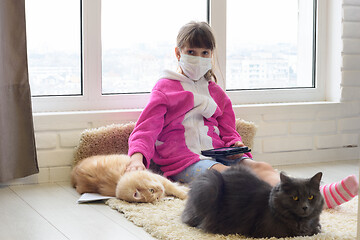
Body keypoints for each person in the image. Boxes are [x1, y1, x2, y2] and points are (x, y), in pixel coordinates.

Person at [126, 21, 358, 208]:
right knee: (230, 178)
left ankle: (316, 196)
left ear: (211, 55)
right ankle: (279, 204)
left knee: (262, 168)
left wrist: (234, 143)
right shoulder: (165, 88)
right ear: (178, 53)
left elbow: (228, 130)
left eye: (204, 52)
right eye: (191, 52)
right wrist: (137, 158)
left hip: (218, 152)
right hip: (184, 160)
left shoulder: (217, 94)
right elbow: (147, 127)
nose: (198, 57)